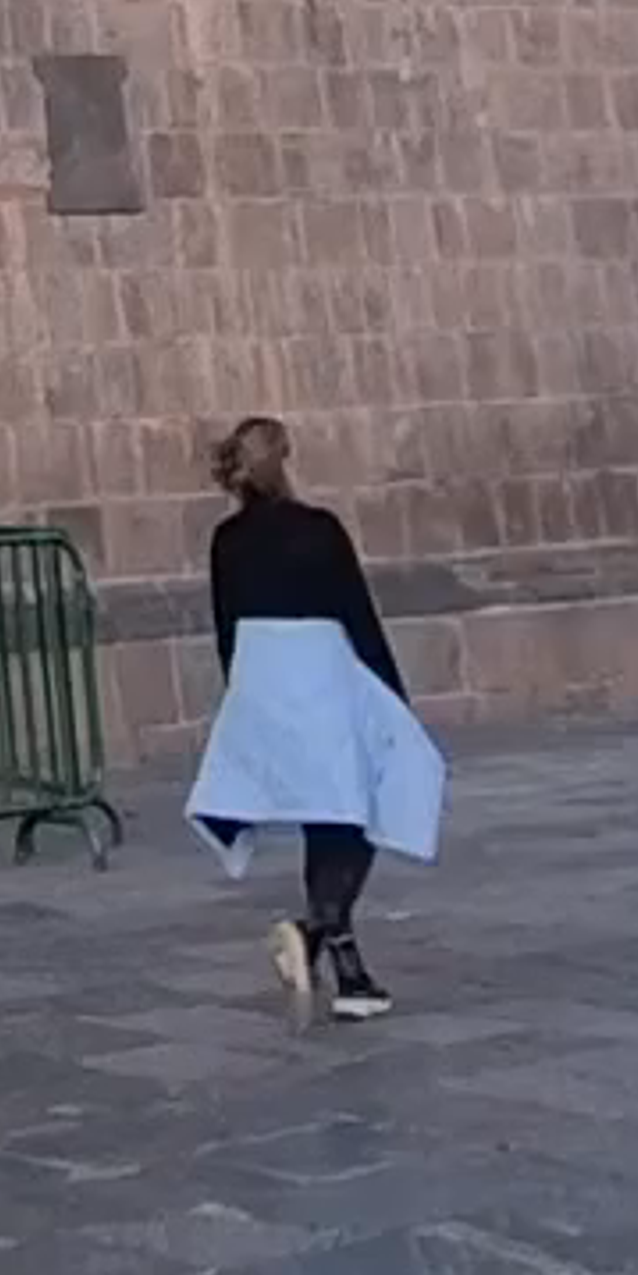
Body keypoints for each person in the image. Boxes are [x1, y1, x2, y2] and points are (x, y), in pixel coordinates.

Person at [188, 418, 445, 1025]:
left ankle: (340, 962)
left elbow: (228, 629)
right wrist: (393, 697)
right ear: (284, 458)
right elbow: (357, 614)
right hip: (323, 680)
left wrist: (246, 701)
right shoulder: (320, 530)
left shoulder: (226, 540)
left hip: (266, 686)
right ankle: (323, 935)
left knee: (325, 818)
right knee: (353, 818)